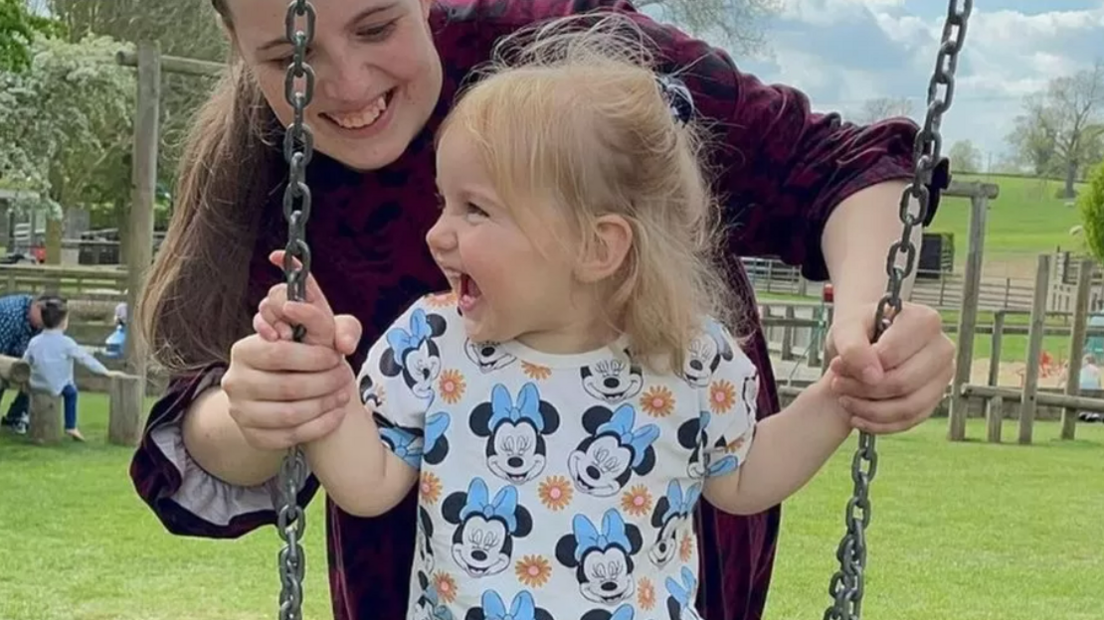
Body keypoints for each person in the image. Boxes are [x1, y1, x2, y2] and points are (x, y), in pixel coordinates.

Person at [130, 1, 956, 619]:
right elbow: (357, 476)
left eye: (378, 26)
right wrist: (302, 393)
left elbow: (834, 168)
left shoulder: (590, 85)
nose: (345, 84)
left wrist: (858, 358)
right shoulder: (426, 333)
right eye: (289, 59)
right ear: (239, 52)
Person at [21, 296, 117, 441]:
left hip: (36, 384)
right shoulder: (66, 343)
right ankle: (71, 426)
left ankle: (27, 418)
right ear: (63, 322)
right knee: (71, 393)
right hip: (57, 386)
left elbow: (26, 361)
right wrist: (105, 371)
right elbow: (85, 359)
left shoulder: (34, 341)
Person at [0, 292, 49, 434]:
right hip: (4, 349)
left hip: (18, 356)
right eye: (45, 315)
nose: (48, 321)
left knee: (40, 374)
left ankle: (15, 417)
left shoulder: (46, 322)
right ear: (37, 307)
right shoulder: (9, 315)